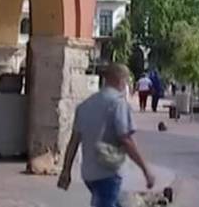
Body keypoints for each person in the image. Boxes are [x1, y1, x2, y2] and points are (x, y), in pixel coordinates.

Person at [58, 63, 155, 206]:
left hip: (89, 172)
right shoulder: (118, 103)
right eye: (126, 80)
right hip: (108, 171)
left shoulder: (85, 105)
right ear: (121, 80)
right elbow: (126, 140)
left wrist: (66, 170)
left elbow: (74, 141)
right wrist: (145, 170)